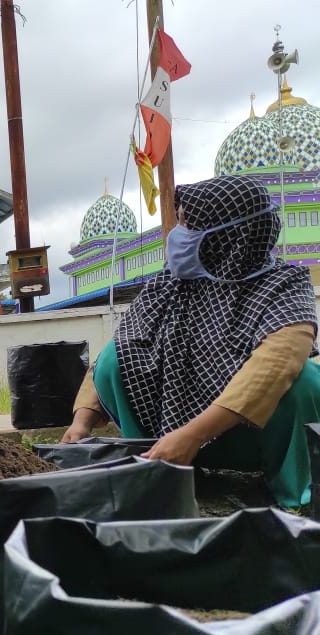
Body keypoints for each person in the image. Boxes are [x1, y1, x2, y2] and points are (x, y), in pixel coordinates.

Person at [62, 174, 320, 508]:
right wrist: (81, 420)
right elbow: (115, 351)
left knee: (303, 381)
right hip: (169, 431)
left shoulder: (284, 285)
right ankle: (156, 466)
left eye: (187, 224)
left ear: (227, 235)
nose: (177, 234)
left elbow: (274, 367)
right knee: (117, 357)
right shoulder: (170, 284)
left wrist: (193, 435)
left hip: (245, 436)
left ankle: (296, 493)